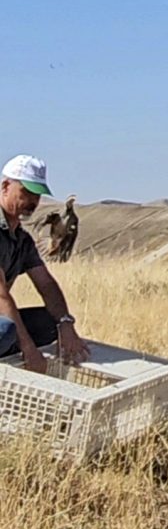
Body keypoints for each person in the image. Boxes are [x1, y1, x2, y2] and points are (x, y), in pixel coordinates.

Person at [0, 155, 90, 372]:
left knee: (50, 323)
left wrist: (65, 323)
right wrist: (29, 349)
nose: (32, 202)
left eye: (37, 195)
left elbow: (46, 284)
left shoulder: (22, 240)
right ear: (5, 187)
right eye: (26, 193)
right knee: (5, 330)